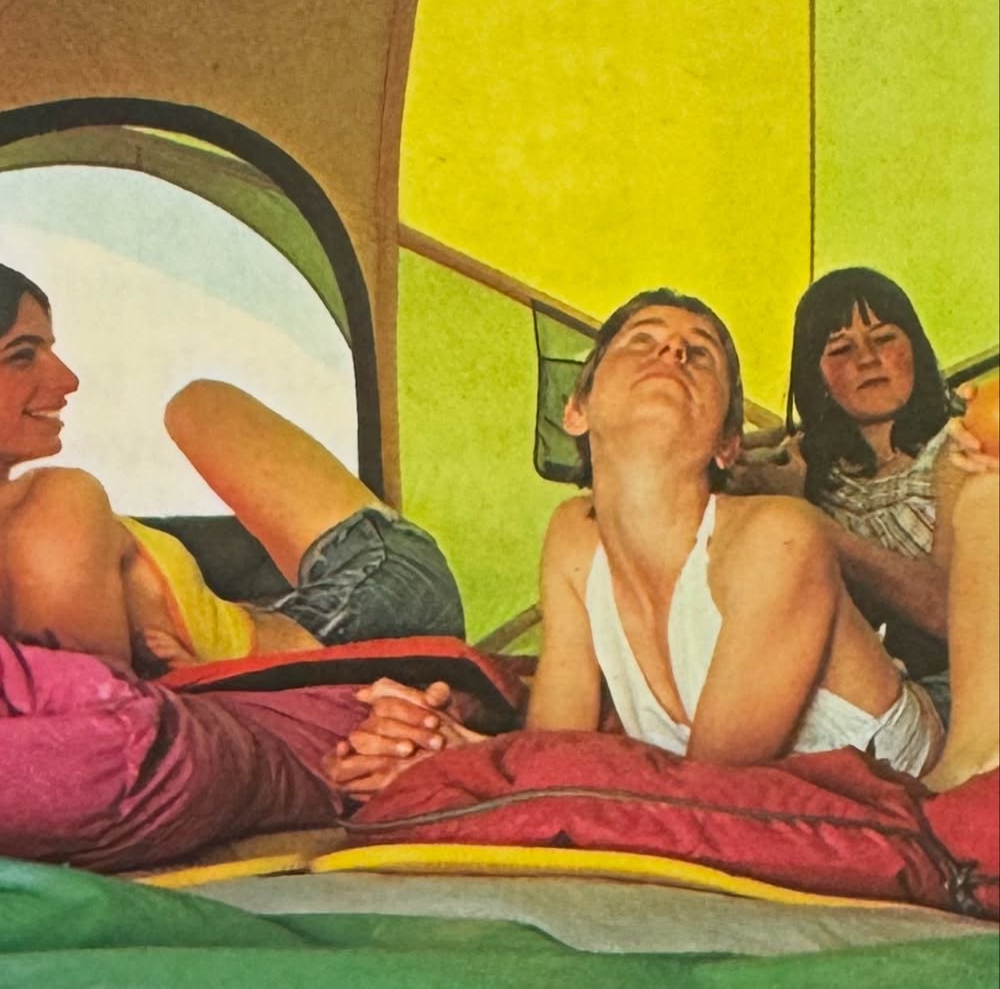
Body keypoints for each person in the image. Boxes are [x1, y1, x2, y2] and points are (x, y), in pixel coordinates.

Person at [326, 289, 998, 799]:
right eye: (642, 341)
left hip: (905, 754)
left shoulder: (781, 535)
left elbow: (703, 790)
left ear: (727, 443)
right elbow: (553, 748)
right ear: (576, 410)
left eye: (698, 353)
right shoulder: (572, 536)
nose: (673, 353)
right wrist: (444, 746)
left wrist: (475, 764)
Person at [0, 249, 463, 674]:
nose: (68, 380)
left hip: (271, 604)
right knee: (201, 405)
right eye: (22, 355)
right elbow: (104, 712)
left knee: (192, 481)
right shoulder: (53, 504)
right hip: (368, 608)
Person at [728, 267, 999, 727]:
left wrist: (805, 518)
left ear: (915, 347)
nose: (868, 359)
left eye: (884, 338)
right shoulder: (808, 461)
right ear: (816, 375)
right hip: (858, 685)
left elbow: (951, 614)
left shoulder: (958, 445)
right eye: (840, 349)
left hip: (964, 685)